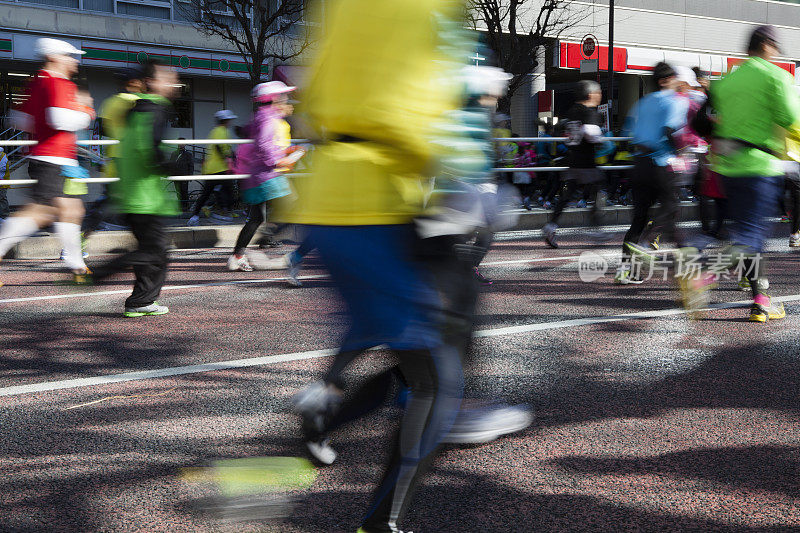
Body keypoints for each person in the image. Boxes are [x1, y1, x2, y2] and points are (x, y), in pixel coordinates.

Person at [279, 1, 479, 530]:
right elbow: (413, 107)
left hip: (326, 200)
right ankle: (380, 521)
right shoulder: (428, 9)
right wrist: (455, 178)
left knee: (385, 336)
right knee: (435, 377)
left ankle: (328, 402)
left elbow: (314, 93)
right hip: (379, 201)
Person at [679, 25, 800, 322]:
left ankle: (760, 300)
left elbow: (701, 124)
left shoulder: (725, 82)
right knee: (750, 235)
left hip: (726, 167)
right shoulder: (776, 77)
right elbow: (794, 121)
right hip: (761, 165)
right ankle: (701, 273)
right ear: (768, 46)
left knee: (748, 235)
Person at [82, 60, 181, 317]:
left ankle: (140, 301)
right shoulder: (154, 108)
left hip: (133, 192)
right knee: (154, 252)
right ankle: (99, 276)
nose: (172, 80)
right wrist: (169, 167)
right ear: (150, 82)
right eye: (166, 76)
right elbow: (148, 148)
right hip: (146, 196)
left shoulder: (136, 109)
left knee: (152, 250)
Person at [0, 38, 94, 286]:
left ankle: (76, 265)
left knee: (72, 210)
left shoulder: (38, 82)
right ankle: (76, 265)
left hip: (50, 157)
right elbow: (59, 119)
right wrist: (85, 112)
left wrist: (40, 132)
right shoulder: (58, 83)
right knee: (41, 212)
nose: (74, 61)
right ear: (54, 57)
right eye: (69, 56)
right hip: (53, 157)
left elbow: (18, 118)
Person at [614, 62, 687, 284]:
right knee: (670, 208)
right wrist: (681, 153)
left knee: (638, 218)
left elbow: (628, 130)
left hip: (640, 163)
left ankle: (627, 271)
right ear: (666, 80)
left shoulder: (642, 102)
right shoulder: (674, 101)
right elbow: (669, 130)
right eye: (674, 77)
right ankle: (646, 244)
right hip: (661, 162)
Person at [227, 81, 299, 273]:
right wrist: (279, 160)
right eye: (282, 96)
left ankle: (238, 256)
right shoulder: (269, 119)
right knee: (294, 206)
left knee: (256, 218)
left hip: (255, 176)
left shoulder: (259, 116)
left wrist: (283, 152)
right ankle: (267, 238)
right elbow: (265, 146)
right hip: (267, 175)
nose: (285, 99)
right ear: (273, 98)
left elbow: (249, 134)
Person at [81, 67, 146, 241]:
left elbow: (104, 129)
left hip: (115, 158)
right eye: (141, 80)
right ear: (134, 83)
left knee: (110, 200)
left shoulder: (110, 103)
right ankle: (145, 246)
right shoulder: (141, 101)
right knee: (140, 205)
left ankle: (83, 235)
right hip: (135, 159)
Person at [543, 80, 605, 248]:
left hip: (572, 159)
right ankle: (596, 230)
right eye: (598, 93)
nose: (600, 96)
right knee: (597, 194)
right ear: (590, 94)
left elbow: (568, 136)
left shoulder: (570, 112)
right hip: (587, 161)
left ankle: (551, 226)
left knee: (567, 196)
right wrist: (599, 137)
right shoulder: (589, 113)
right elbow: (593, 136)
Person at [187, 109, 237, 224]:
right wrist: (227, 160)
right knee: (228, 189)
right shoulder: (221, 130)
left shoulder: (216, 131)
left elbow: (224, 148)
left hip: (212, 169)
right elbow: (219, 147)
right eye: (229, 120)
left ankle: (195, 215)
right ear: (225, 120)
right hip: (219, 168)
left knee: (208, 193)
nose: (230, 122)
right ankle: (224, 210)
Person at [169, 138, 195, 213]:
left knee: (184, 191)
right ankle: (180, 206)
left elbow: (191, 165)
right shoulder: (174, 154)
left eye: (182, 143)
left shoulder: (188, 154)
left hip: (184, 176)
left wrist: (190, 176)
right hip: (176, 176)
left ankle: (185, 206)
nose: (181, 144)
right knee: (178, 192)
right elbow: (171, 165)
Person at [0, 147, 10, 220]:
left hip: (3, 181)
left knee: (2, 198)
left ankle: (4, 215)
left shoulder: (3, 155)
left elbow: (2, 168)